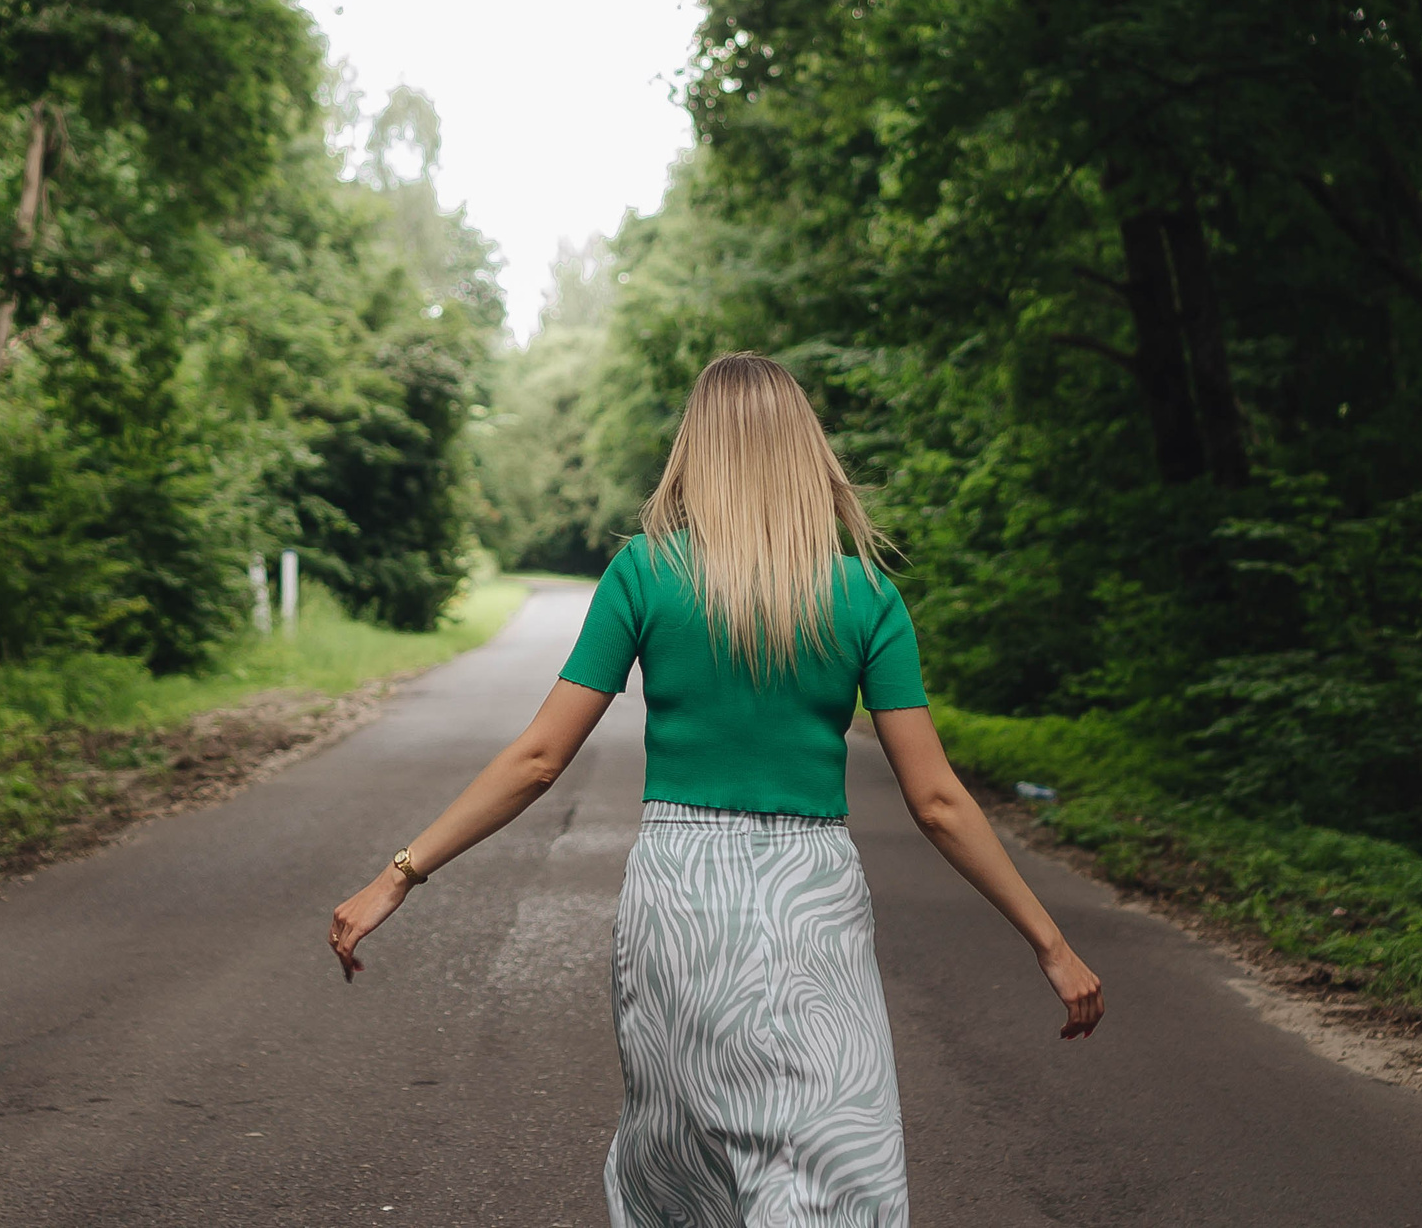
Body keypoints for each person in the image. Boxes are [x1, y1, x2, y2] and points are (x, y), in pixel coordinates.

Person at [329, 352, 1104, 1227]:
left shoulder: (645, 574)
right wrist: (1049, 941)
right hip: (810, 899)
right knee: (834, 1161)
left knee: (684, 1174)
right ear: (804, 451)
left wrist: (401, 870)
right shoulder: (865, 596)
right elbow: (937, 802)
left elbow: (539, 758)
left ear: (697, 450)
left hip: (679, 896)